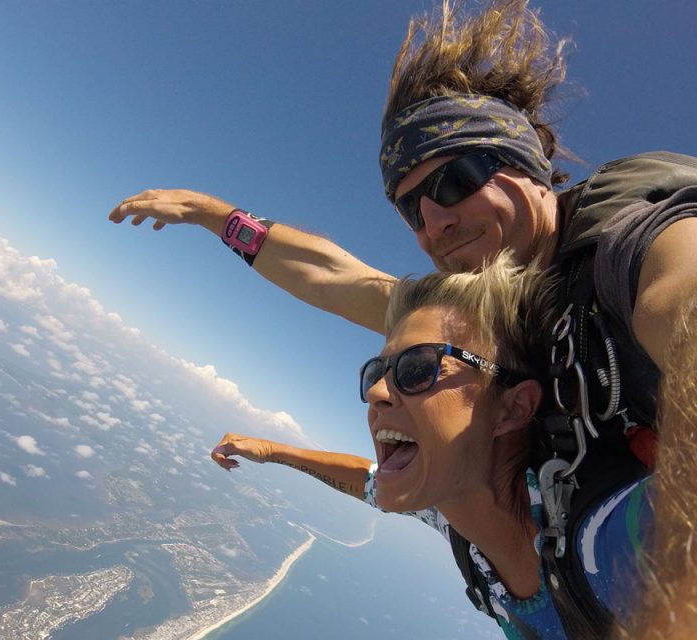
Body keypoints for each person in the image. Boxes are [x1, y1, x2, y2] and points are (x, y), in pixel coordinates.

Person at [109, 1, 697, 635]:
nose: (433, 223)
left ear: (525, 166)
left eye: (455, 180)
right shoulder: (477, 325)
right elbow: (337, 278)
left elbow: (683, 308)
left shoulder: (637, 244)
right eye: (410, 210)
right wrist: (217, 216)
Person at [209, 255, 652, 639]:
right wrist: (272, 451)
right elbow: (367, 481)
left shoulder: (621, 537)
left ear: (512, 410)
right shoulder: (462, 528)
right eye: (375, 372)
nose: (377, 392)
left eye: (417, 368)